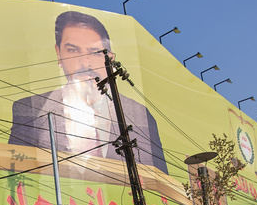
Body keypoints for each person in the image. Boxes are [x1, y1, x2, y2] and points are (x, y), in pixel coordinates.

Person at [9, 11, 167, 174]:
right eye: (73, 50)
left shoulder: (140, 115)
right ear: (58, 54)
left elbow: (162, 184)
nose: (85, 62)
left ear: (110, 58)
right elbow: (14, 178)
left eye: (95, 52)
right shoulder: (30, 108)